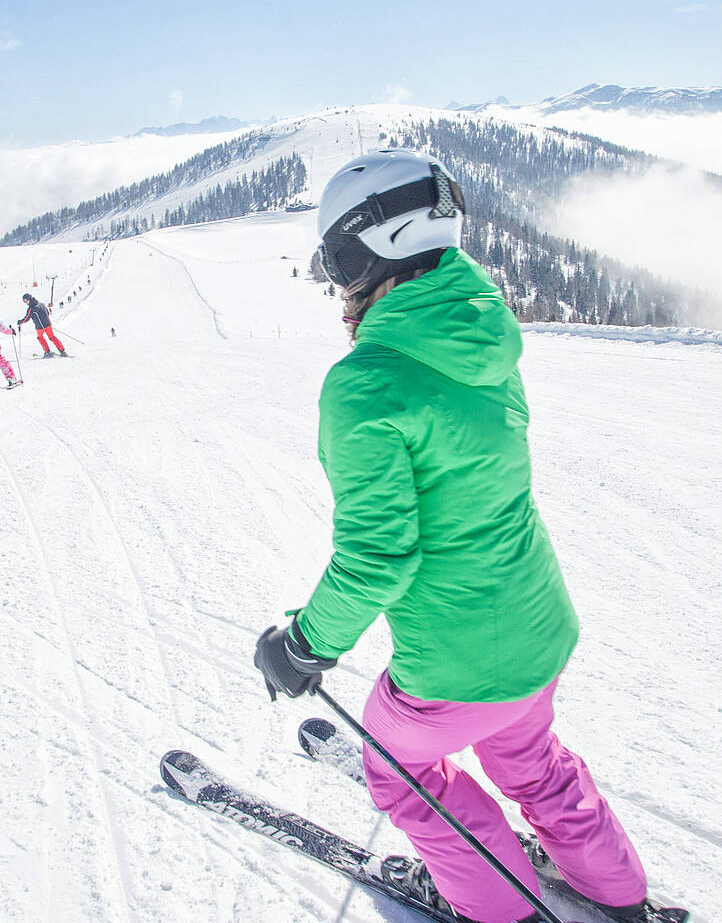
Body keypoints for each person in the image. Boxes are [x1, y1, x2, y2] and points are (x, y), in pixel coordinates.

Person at [254, 151, 684, 923]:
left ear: (359, 250)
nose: (333, 279)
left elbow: (380, 557)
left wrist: (303, 647)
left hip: (454, 667)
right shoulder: (484, 336)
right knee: (530, 759)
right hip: (539, 625)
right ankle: (613, 890)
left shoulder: (367, 382)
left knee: (402, 774)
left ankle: (495, 905)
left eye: (332, 260)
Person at [18, 292, 67, 357]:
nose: (25, 303)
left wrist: (20, 322)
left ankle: (47, 352)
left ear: (29, 299)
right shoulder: (42, 304)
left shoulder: (31, 309)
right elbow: (47, 312)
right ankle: (62, 350)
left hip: (40, 327)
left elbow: (26, 319)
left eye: (26, 301)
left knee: (40, 337)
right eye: (24, 301)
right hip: (48, 324)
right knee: (52, 337)